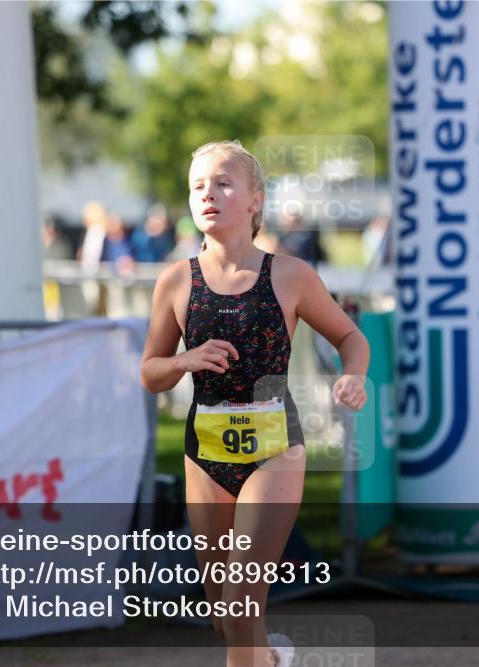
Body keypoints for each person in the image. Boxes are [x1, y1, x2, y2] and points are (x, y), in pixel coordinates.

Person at [140, 140, 369, 667]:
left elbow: (351, 338)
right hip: (205, 454)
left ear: (254, 201)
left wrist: (353, 377)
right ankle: (271, 660)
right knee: (225, 613)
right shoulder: (176, 280)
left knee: (243, 601)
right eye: (197, 186)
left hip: (274, 450)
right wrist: (184, 360)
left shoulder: (289, 275)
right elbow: (150, 373)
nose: (208, 195)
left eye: (222, 183)